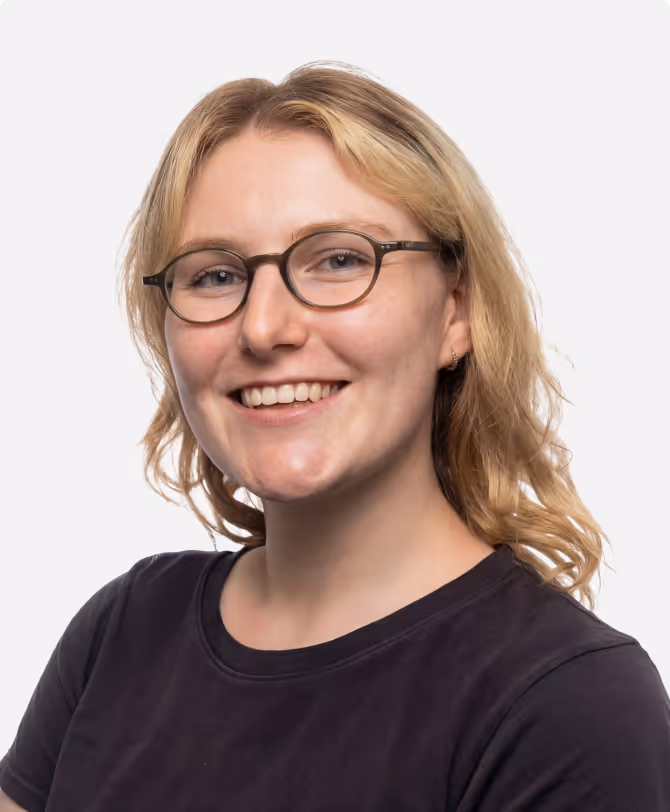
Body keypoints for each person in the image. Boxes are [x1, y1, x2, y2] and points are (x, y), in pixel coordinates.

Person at [1, 60, 668, 812]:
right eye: (215, 276)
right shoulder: (121, 633)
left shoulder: (566, 705)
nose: (263, 327)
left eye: (340, 259)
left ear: (455, 312)